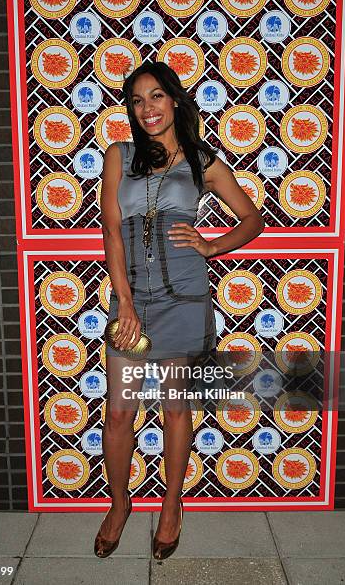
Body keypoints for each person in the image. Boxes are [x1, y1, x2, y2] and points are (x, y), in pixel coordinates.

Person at [95, 60, 265, 559]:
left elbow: (252, 219)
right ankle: (120, 503)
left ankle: (172, 504)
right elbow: (110, 229)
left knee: (175, 407)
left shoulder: (202, 161)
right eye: (137, 100)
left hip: (186, 301)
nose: (146, 108)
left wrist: (213, 246)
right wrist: (123, 302)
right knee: (120, 410)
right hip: (132, 303)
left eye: (156, 97)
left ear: (174, 101)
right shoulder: (118, 156)